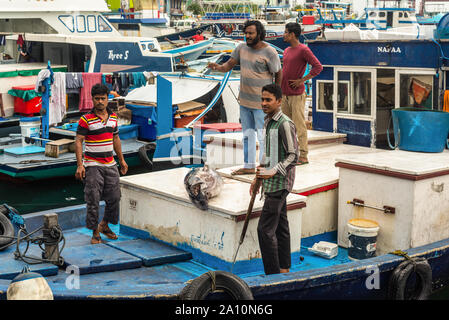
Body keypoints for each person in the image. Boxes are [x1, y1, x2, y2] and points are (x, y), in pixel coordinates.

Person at [207, 20, 282, 175]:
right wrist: (217, 68)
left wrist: (277, 95)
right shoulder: (241, 48)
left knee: (263, 137)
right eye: (246, 33)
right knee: (247, 135)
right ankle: (249, 167)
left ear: (259, 34)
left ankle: (264, 168)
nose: (247, 36)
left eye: (251, 33)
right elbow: (228, 66)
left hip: (263, 104)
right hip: (245, 102)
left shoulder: (270, 52)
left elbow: (278, 72)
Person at [250, 83, 298, 275]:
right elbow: (268, 153)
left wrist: (273, 171)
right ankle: (284, 268)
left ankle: (273, 275)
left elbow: (294, 156)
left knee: (264, 230)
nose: (264, 103)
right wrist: (258, 177)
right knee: (281, 225)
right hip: (270, 182)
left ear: (279, 101)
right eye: (262, 99)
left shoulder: (285, 123)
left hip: (280, 183)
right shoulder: (268, 121)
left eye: (268, 100)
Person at [75, 83, 128, 245]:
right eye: (97, 99)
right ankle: (94, 232)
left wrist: (122, 159)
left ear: (107, 99)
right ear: (92, 99)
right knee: (93, 200)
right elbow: (78, 142)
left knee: (115, 197)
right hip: (92, 165)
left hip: (110, 163)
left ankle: (104, 224)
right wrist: (80, 165)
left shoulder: (113, 118)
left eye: (103, 99)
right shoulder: (85, 120)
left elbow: (116, 138)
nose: (100, 102)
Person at [282, 22, 322, 165]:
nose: (284, 34)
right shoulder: (286, 50)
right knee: (286, 126)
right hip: (284, 94)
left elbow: (318, 67)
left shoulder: (303, 49)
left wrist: (302, 80)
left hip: (297, 94)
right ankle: (290, 153)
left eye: (286, 32)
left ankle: (303, 155)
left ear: (292, 34)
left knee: (299, 126)